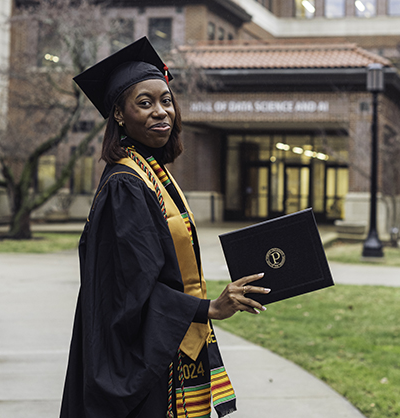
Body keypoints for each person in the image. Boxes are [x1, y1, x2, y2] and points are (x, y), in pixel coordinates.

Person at [60, 37, 270, 418]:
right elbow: (129, 290)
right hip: (141, 358)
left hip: (164, 348)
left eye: (166, 100)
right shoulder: (125, 184)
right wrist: (207, 308)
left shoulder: (151, 174)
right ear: (119, 115)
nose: (161, 112)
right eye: (145, 103)